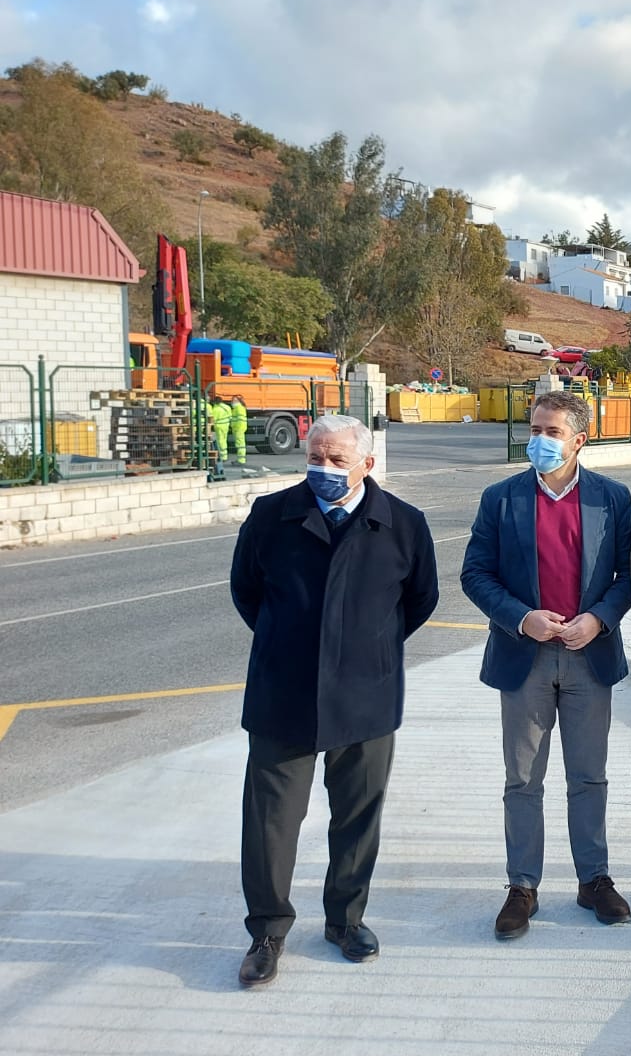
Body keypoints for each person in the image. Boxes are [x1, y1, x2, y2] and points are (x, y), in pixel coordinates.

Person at [228, 414, 439, 987]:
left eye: (337, 460)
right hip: (282, 694)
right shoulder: (272, 516)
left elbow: (419, 601)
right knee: (271, 821)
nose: (323, 469)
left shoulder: (402, 524)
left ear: (368, 464)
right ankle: (267, 929)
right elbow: (247, 592)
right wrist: (289, 644)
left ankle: (346, 921)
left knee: (356, 816)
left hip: (365, 697)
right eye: (315, 458)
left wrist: (364, 651)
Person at [461, 392, 631, 941]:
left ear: (579, 439)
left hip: (590, 657)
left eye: (552, 430)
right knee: (523, 780)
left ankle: (594, 879)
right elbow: (476, 574)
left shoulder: (612, 498)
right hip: (525, 659)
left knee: (588, 777)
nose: (538, 438)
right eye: (535, 428)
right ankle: (522, 887)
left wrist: (600, 619)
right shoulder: (501, 498)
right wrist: (520, 618)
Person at [208, 389, 232, 472]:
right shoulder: (227, 407)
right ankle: (225, 455)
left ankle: (222, 456)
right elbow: (230, 416)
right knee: (224, 440)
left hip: (219, 426)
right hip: (226, 425)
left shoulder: (215, 409)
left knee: (220, 441)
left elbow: (212, 419)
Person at [229, 395, 249, 466]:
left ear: (238, 401)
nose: (232, 401)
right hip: (239, 428)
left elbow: (239, 420)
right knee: (240, 444)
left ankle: (241, 460)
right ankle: (240, 459)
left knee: (240, 444)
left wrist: (236, 428)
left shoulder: (238, 408)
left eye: (234, 400)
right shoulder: (239, 407)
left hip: (238, 428)